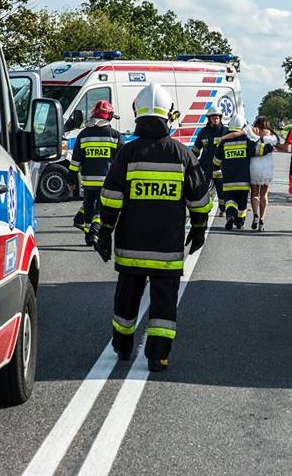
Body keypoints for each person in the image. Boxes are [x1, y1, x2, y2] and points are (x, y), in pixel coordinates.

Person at [96, 84, 211, 372]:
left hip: (130, 245)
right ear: (168, 116)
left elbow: (111, 197)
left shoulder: (127, 153)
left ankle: (122, 347)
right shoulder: (182, 154)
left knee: (126, 299)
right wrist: (198, 229)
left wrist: (105, 232)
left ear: (138, 116)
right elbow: (199, 199)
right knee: (163, 306)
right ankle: (157, 356)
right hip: (167, 248)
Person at [67, 100, 122, 246]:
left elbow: (75, 160)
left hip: (87, 182)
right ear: (108, 116)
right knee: (101, 208)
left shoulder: (83, 134)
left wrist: (71, 178)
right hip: (106, 182)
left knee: (88, 208)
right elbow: (121, 161)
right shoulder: (115, 135)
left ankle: (87, 236)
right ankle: (95, 231)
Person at [212, 113, 274, 231]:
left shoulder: (224, 142)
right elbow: (258, 150)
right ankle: (240, 222)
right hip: (243, 180)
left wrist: (216, 170)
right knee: (242, 203)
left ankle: (230, 216)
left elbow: (216, 161)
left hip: (228, 181)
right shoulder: (247, 140)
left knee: (230, 201)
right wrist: (269, 147)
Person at [192, 107, 230, 217]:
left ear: (220, 118)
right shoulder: (203, 132)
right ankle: (204, 209)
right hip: (205, 166)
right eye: (213, 118)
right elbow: (196, 150)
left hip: (220, 167)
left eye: (217, 118)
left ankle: (223, 209)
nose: (216, 120)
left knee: (221, 190)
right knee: (203, 189)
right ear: (209, 119)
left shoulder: (225, 131)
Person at [248, 116, 280, 231]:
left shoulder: (252, 133)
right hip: (267, 166)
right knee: (264, 194)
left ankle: (255, 215)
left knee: (254, 194)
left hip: (254, 165)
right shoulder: (271, 136)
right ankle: (262, 219)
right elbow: (279, 144)